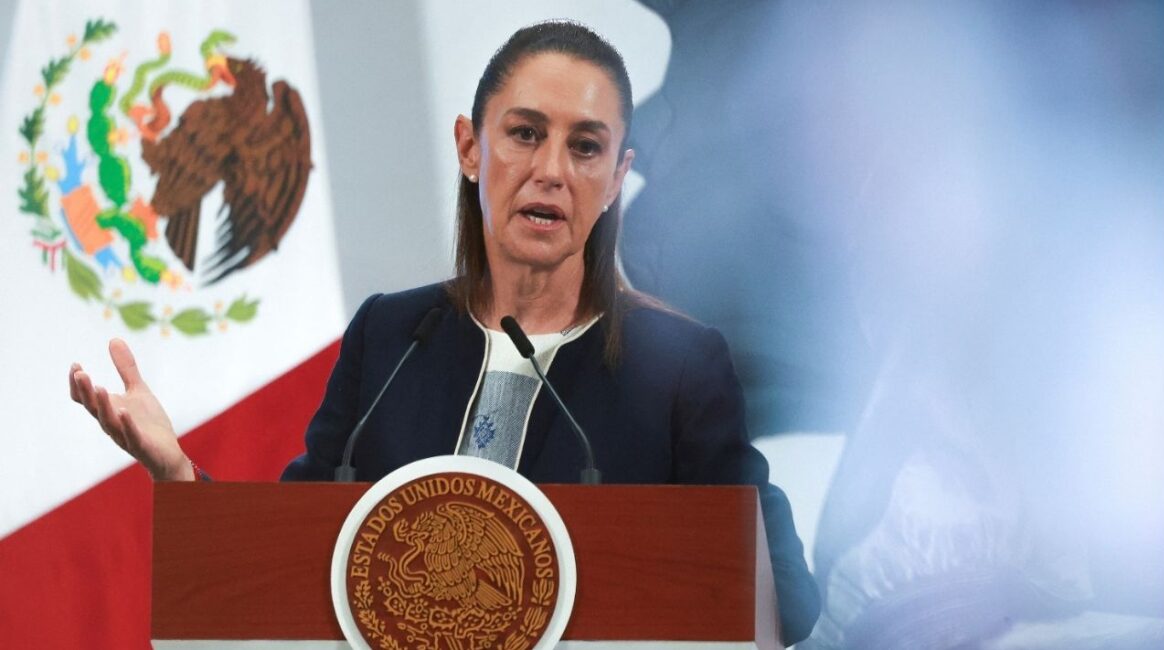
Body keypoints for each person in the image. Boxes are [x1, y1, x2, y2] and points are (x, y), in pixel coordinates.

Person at [68, 21, 820, 643]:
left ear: (617, 177)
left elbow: (784, 596)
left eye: (585, 147)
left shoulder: (679, 366)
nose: (552, 170)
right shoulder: (393, 336)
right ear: (470, 148)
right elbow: (291, 563)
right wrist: (178, 476)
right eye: (524, 134)